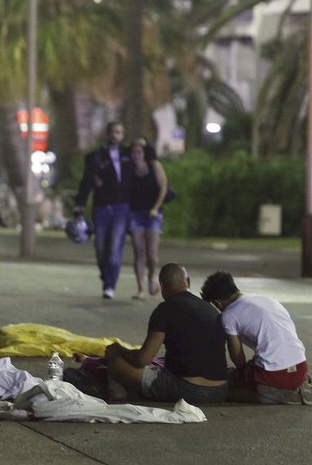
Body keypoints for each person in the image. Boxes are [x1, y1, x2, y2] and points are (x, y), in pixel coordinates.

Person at [104, 263, 230, 404]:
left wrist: (119, 349)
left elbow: (142, 359)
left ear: (162, 286)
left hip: (187, 391)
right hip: (220, 391)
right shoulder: (210, 309)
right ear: (187, 282)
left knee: (116, 361)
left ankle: (118, 400)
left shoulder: (165, 309)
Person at [199, 271, 312, 404]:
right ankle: (299, 386)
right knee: (260, 367)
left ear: (217, 303)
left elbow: (237, 354)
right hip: (301, 368)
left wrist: (240, 375)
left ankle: (273, 396)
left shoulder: (229, 316)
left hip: (274, 375)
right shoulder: (268, 300)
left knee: (226, 386)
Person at [75, 121, 132, 299]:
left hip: (121, 209)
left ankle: (110, 285)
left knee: (114, 248)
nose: (115, 135)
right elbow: (86, 182)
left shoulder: (129, 155)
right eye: (113, 132)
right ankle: (105, 273)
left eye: (119, 132)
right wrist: (79, 205)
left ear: (123, 135)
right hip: (101, 208)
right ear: (108, 134)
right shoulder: (97, 156)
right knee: (100, 247)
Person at [127, 138, 168, 299]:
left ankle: (151, 277)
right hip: (135, 214)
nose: (135, 155)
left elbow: (163, 187)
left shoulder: (154, 166)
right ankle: (140, 288)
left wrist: (155, 208)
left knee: (151, 254)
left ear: (144, 153)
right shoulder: (129, 170)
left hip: (153, 214)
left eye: (138, 152)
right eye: (133, 153)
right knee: (138, 251)